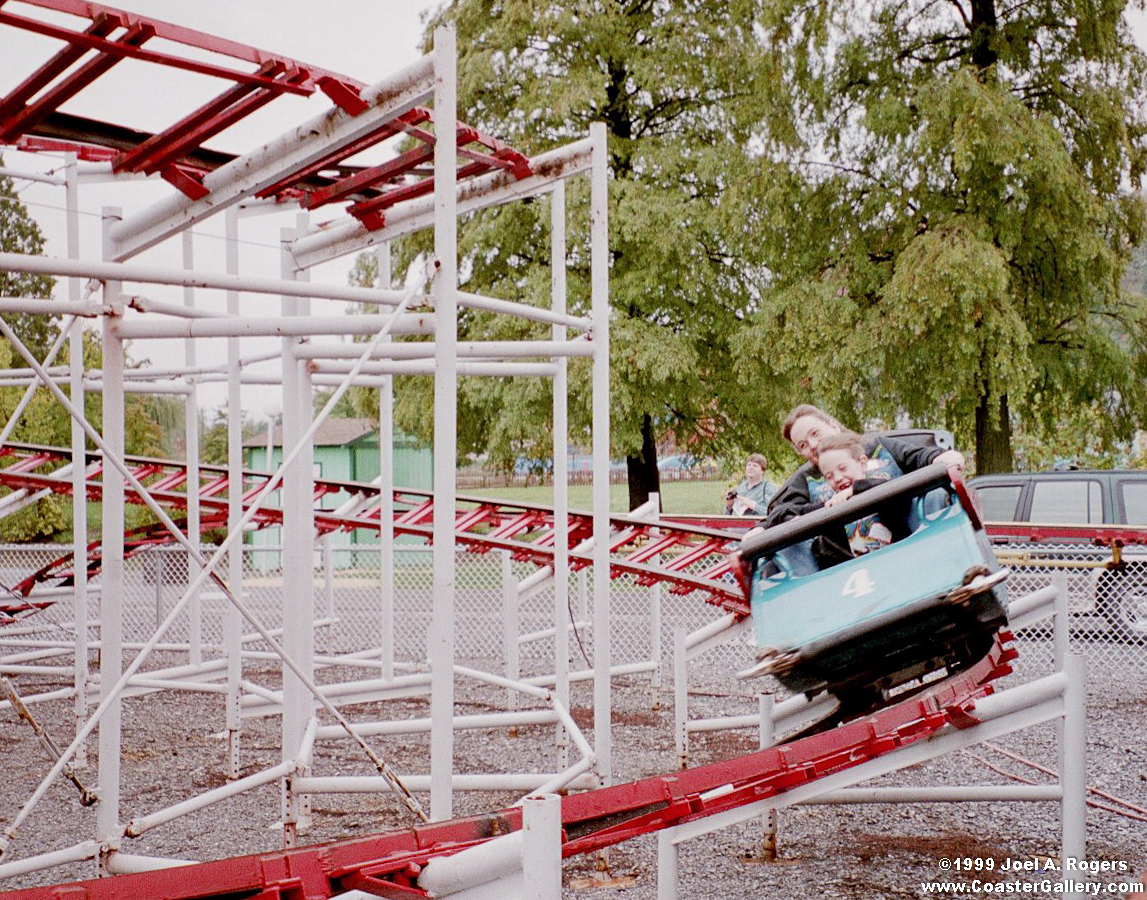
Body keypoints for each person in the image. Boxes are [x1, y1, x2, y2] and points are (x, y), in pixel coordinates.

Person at [763, 403, 965, 529]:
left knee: (935, 495)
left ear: (832, 425)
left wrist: (946, 459)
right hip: (844, 562)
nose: (813, 445)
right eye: (803, 445)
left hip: (906, 533)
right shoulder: (804, 479)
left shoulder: (878, 446)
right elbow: (783, 512)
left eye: (815, 434)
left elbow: (923, 458)